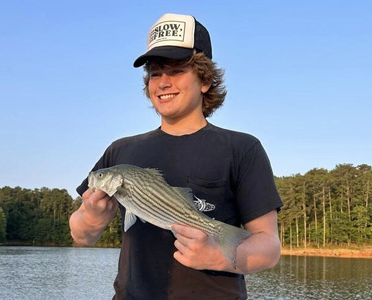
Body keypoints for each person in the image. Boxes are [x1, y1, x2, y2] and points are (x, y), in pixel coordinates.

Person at [70, 13, 283, 300]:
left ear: (204, 80)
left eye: (177, 71)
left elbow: (268, 248)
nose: (163, 82)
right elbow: (80, 234)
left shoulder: (242, 148)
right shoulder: (120, 150)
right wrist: (92, 219)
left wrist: (216, 256)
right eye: (156, 73)